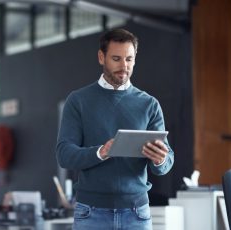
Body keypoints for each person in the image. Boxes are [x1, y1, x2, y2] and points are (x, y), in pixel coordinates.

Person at [56, 28, 174, 230]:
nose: (124, 66)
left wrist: (160, 158)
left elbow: (166, 162)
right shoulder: (78, 101)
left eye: (129, 59)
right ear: (101, 57)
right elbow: (64, 155)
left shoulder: (149, 104)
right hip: (91, 213)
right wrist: (100, 152)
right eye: (116, 59)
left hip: (137, 213)